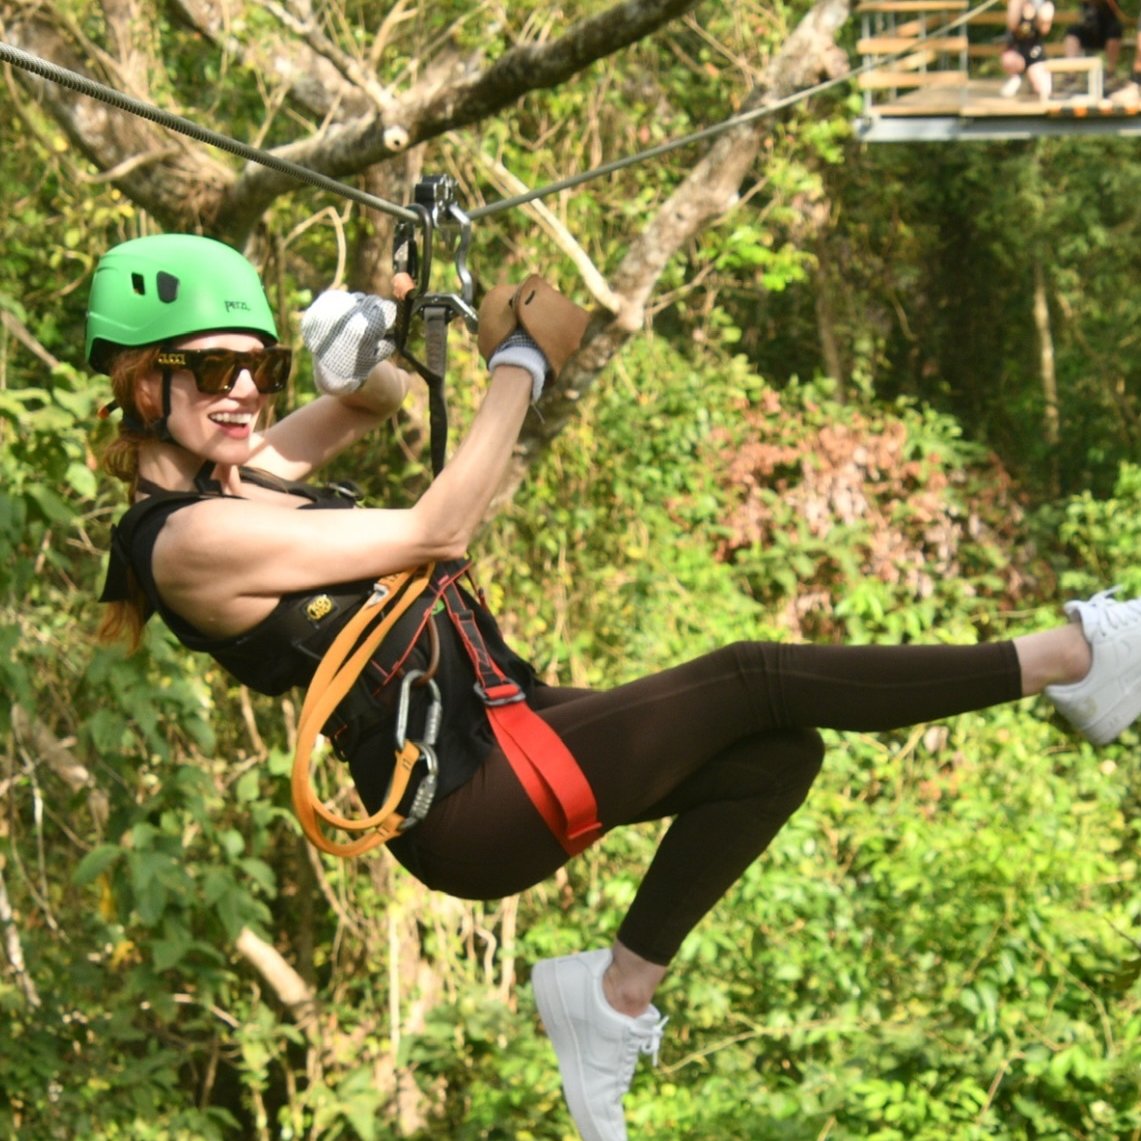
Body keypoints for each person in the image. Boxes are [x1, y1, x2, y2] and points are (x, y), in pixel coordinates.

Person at [91, 233, 1141, 1141]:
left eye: (259, 367)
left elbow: (371, 399)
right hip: (466, 798)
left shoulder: (245, 472)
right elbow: (435, 528)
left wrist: (372, 321)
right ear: (148, 384)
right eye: (217, 367)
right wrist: (518, 366)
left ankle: (614, 991)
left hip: (508, 722)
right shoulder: (188, 541)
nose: (246, 391)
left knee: (776, 756)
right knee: (754, 676)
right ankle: (1071, 661)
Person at [1000, 0, 1056, 99]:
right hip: (1017, 51)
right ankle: (1015, 78)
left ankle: (1032, 81)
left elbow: (1044, 30)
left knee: (1044, 91)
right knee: (1008, 60)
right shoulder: (1015, 3)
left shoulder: (1046, 5)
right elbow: (1012, 26)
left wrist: (1041, 17)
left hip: (1035, 53)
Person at [1063, 0, 1124, 83]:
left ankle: (1111, 72)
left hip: (1107, 32)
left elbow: (1116, 10)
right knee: (1072, 31)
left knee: (1115, 30)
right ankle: (1071, 73)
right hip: (1089, 30)